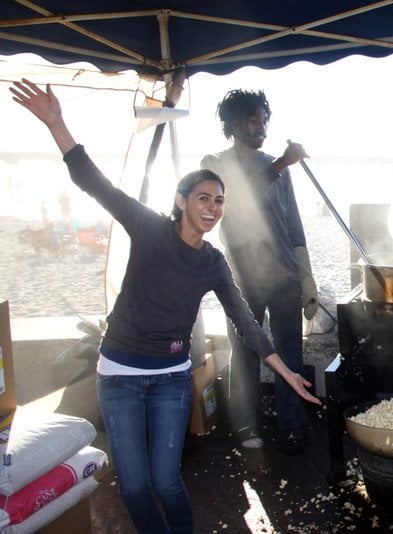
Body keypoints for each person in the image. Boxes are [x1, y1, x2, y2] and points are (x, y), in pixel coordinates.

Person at [10, 79, 321, 534]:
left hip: (175, 376)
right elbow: (92, 182)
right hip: (121, 375)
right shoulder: (157, 220)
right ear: (180, 200)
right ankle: (245, 427)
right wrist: (58, 124)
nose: (213, 207)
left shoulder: (213, 264)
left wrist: (289, 364)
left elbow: (250, 320)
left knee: (167, 483)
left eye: (219, 202)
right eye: (204, 199)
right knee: (135, 488)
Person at [201, 89, 318, 454]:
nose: (262, 126)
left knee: (289, 353)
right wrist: (281, 164)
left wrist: (307, 277)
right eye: (254, 119)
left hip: (283, 276)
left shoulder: (278, 165)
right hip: (241, 277)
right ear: (234, 124)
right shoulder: (215, 163)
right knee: (246, 351)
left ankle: (293, 425)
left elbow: (294, 225)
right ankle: (247, 425)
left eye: (265, 118)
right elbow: (233, 203)